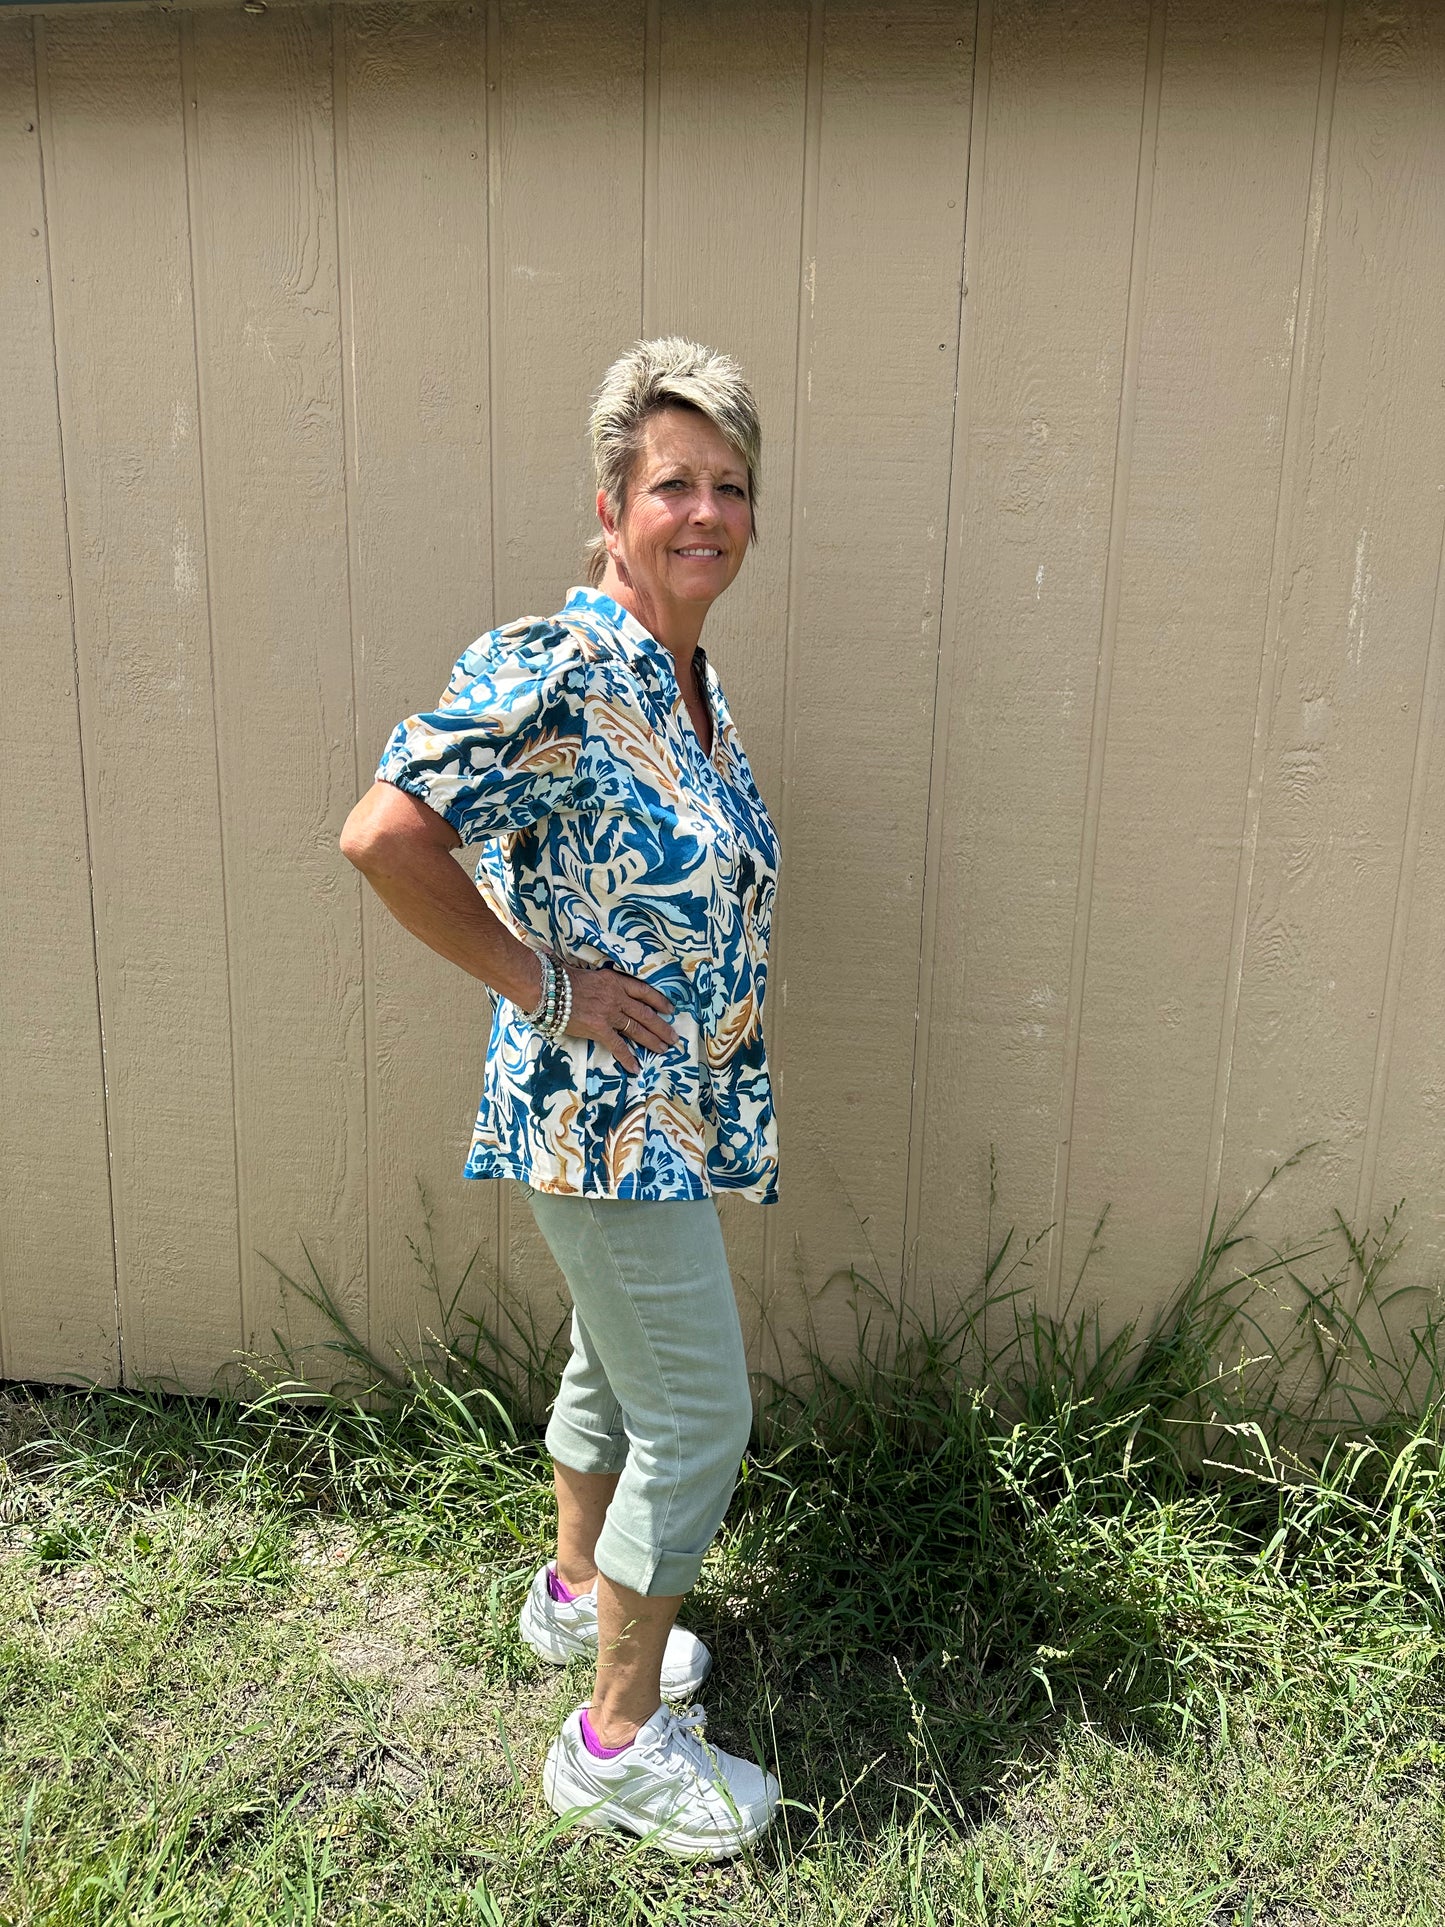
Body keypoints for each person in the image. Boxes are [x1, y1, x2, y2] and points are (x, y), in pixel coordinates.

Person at [340, 337, 782, 1859]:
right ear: (612, 507)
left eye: (729, 485)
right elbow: (386, 835)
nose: (706, 511)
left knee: (615, 1361)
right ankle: (615, 1740)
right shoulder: (559, 662)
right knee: (698, 1414)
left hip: (671, 1116)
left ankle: (577, 1589)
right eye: (674, 484)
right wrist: (543, 980)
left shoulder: (684, 679)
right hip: (596, 1116)